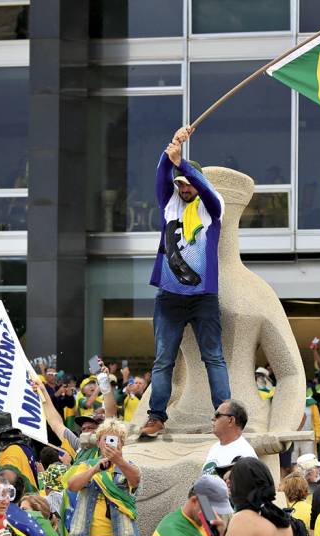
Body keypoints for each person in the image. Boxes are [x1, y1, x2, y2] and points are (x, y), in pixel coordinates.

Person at [140, 125, 230, 439]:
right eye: (180, 183)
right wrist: (173, 148)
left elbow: (207, 191)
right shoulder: (170, 203)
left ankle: (225, 415)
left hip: (203, 295)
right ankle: (156, 416)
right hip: (169, 296)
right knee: (163, 359)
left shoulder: (211, 204)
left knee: (213, 357)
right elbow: (161, 173)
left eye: (188, 182)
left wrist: (184, 164)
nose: (183, 187)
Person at [202, 399, 256, 475]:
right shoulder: (214, 447)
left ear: (230, 420)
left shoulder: (245, 455)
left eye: (217, 415)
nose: (213, 418)